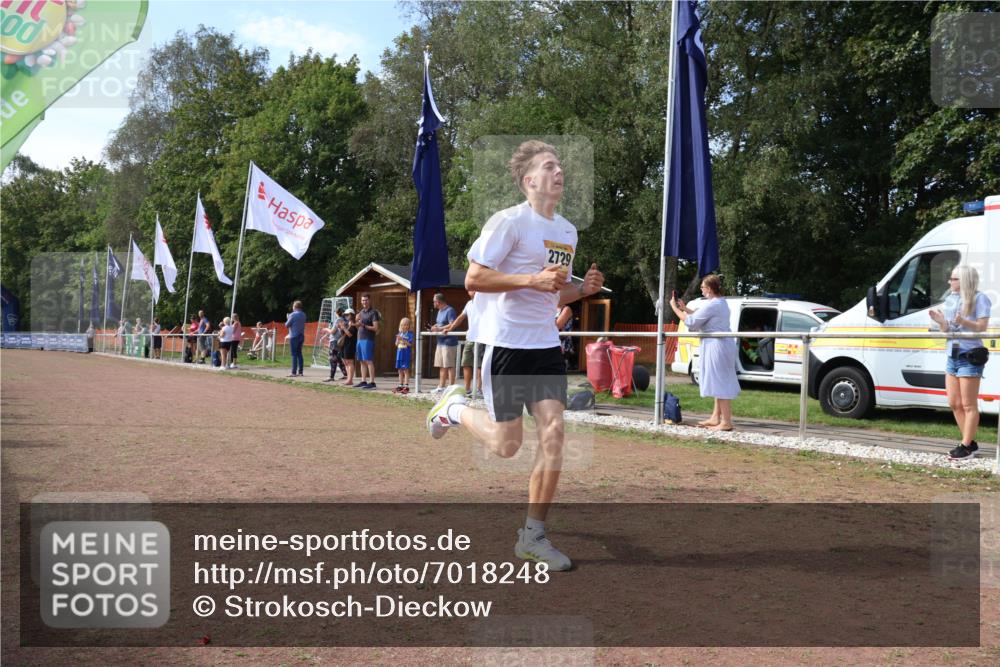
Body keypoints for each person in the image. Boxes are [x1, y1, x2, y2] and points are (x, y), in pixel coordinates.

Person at [426, 139, 605, 571]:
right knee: (507, 446)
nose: (558, 172)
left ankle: (533, 535)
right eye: (548, 166)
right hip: (505, 344)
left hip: (544, 343)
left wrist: (582, 290)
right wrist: (529, 280)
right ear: (529, 181)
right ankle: (453, 409)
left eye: (560, 166)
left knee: (555, 433)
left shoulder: (567, 231)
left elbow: (553, 287)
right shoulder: (508, 222)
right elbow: (473, 279)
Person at [930, 265, 992, 460]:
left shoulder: (980, 298)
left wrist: (963, 321)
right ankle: (970, 443)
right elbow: (948, 330)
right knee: (954, 403)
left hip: (970, 356)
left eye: (953, 279)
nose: (950, 282)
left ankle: (965, 446)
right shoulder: (950, 299)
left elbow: (982, 327)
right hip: (952, 355)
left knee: (968, 405)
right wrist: (941, 322)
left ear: (964, 280)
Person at [670, 274, 740, 431]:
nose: (701, 289)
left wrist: (674, 308)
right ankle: (716, 417)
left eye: (702, 287)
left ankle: (726, 422)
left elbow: (692, 322)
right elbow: (700, 315)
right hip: (720, 345)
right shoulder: (719, 303)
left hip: (717, 346)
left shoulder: (713, 305)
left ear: (709, 289)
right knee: (718, 380)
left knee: (721, 382)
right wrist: (685, 308)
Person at [444, 291, 484, 398]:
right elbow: (461, 317)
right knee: (466, 363)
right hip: (469, 338)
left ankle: (480, 389)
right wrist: (450, 328)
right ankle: (467, 389)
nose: (471, 291)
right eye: (470, 289)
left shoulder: (484, 302)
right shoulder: (468, 304)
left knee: (479, 366)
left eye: (474, 289)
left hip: (480, 339)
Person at [430, 293, 459, 392]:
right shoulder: (439, 311)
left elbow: (452, 323)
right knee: (441, 365)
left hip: (449, 342)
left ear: (438, 302)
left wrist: (439, 328)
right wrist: (434, 327)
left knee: (449, 365)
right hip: (440, 341)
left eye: (434, 301)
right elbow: (440, 323)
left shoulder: (450, 310)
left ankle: (451, 387)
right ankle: (441, 387)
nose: (433, 303)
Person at [355, 293, 381, 390]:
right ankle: (363, 381)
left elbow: (375, 328)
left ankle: (372, 382)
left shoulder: (373, 313)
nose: (364, 302)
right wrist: (356, 322)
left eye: (366, 300)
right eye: (363, 300)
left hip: (368, 339)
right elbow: (358, 325)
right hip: (360, 339)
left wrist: (364, 326)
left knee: (368, 360)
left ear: (369, 300)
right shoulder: (361, 312)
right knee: (362, 361)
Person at [322, 308, 349, 382]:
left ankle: (331, 376)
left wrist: (326, 329)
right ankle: (345, 374)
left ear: (336, 313)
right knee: (339, 358)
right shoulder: (346, 320)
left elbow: (332, 331)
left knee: (332, 359)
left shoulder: (338, 320)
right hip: (340, 341)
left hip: (334, 341)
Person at [286, 300, 307, 377]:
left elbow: (287, 325)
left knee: (294, 354)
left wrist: (288, 318)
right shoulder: (303, 314)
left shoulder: (292, 315)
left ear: (295, 307)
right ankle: (300, 372)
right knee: (299, 354)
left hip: (294, 336)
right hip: (301, 335)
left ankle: (293, 372)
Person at [394, 317, 414, 394]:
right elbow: (396, 344)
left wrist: (402, 339)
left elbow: (410, 344)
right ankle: (400, 385)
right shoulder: (400, 333)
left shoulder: (409, 334)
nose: (404, 326)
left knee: (405, 369)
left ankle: (406, 386)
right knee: (400, 370)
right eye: (403, 325)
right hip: (399, 353)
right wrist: (398, 339)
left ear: (409, 326)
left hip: (406, 353)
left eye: (406, 325)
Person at [341, 309, 358, 385]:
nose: (346, 316)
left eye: (347, 315)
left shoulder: (353, 324)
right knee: (345, 362)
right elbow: (344, 334)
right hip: (345, 344)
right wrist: (341, 327)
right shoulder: (347, 323)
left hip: (350, 345)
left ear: (351, 315)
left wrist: (343, 328)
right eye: (345, 315)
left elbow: (350, 334)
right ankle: (348, 378)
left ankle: (350, 380)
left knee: (350, 362)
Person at [556, 305, 575, 370]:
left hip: (563, 344)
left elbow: (558, 325)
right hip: (553, 342)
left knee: (560, 367)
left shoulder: (566, 309)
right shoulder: (551, 308)